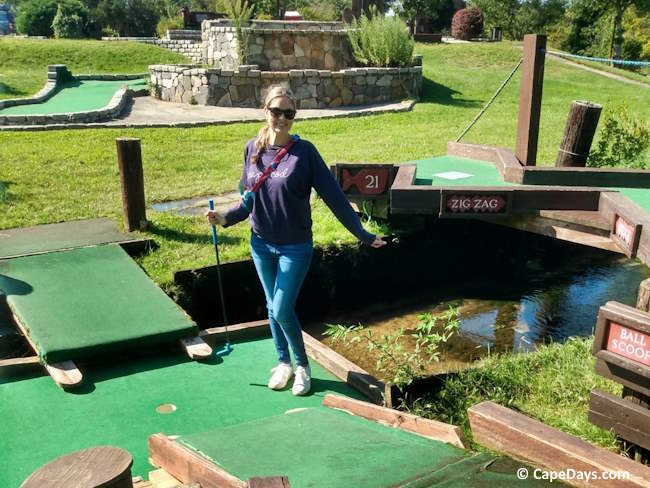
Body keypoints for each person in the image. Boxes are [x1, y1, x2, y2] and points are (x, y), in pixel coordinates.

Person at [206, 85, 386, 396]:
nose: (282, 118)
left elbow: (335, 198)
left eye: (289, 113)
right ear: (266, 111)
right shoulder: (252, 149)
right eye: (276, 111)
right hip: (261, 243)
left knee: (280, 308)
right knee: (271, 304)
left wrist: (363, 235)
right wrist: (224, 218)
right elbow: (249, 199)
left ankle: (302, 366)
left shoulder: (305, 154)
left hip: (295, 247)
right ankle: (283, 363)